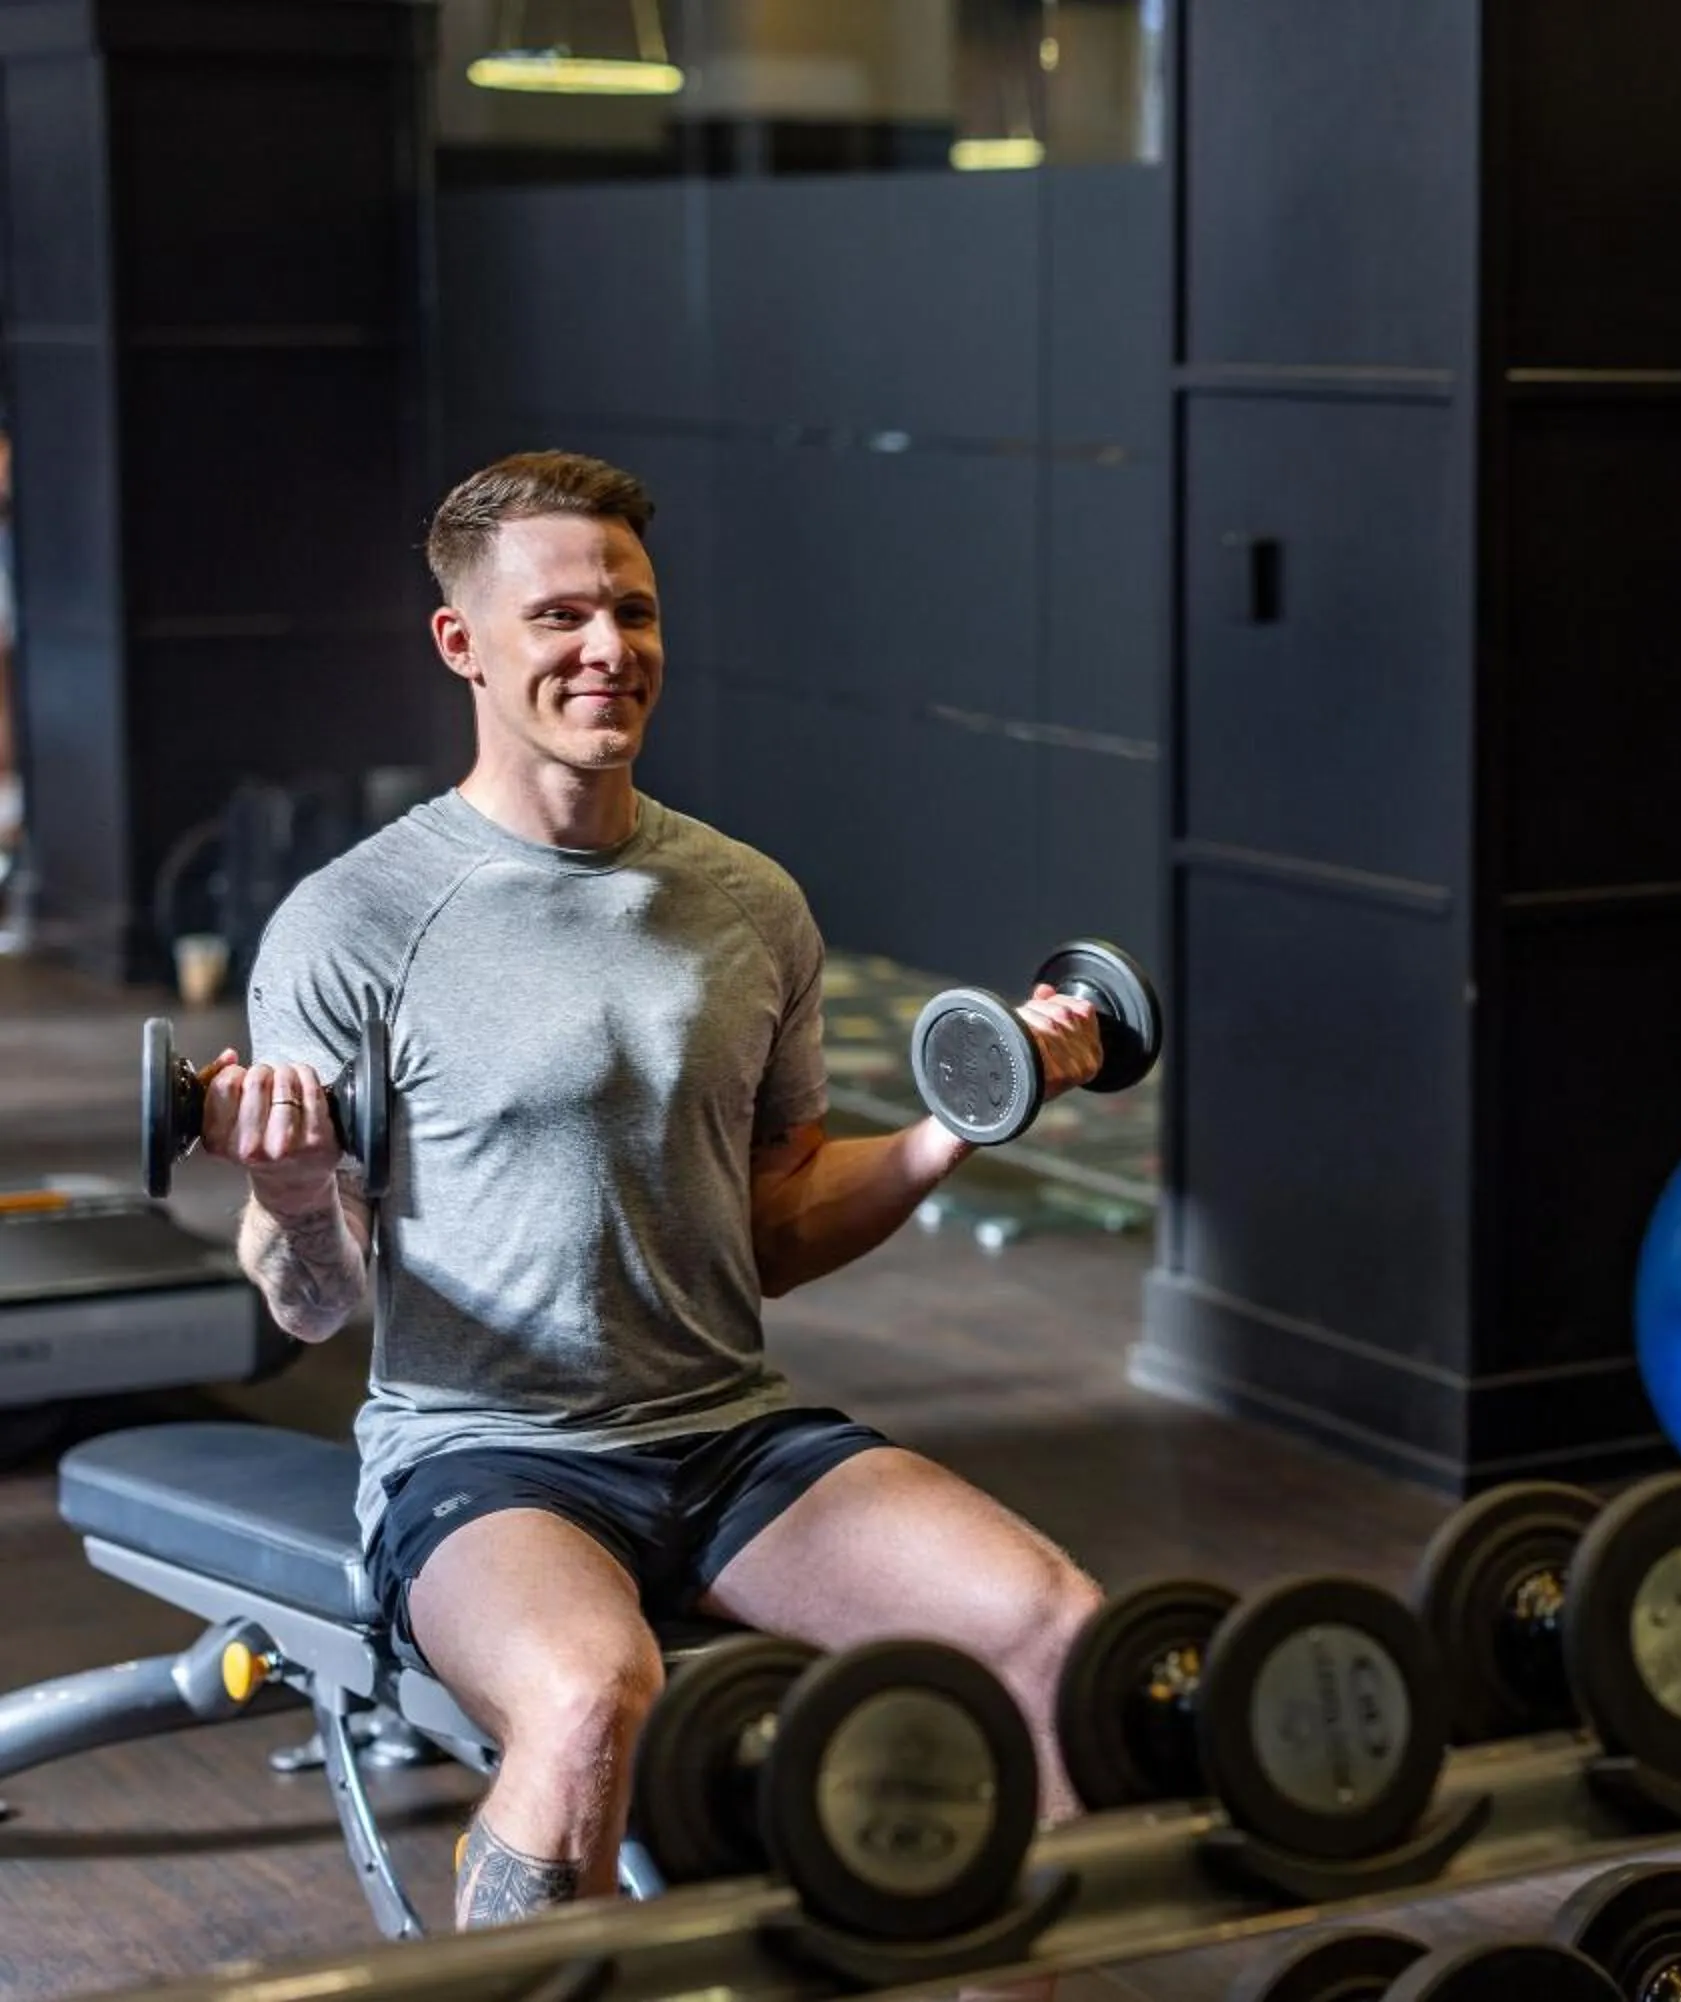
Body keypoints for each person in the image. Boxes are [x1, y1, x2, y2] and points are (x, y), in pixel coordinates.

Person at [187, 451, 1107, 1931]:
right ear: (462, 644)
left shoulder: (747, 901)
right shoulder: (355, 921)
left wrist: (955, 1127)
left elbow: (777, 1225)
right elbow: (306, 1304)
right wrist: (299, 1197)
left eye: (634, 609)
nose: (608, 648)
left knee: (1055, 1632)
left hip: (727, 1430)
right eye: (559, 616)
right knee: (592, 1696)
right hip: (487, 1452)